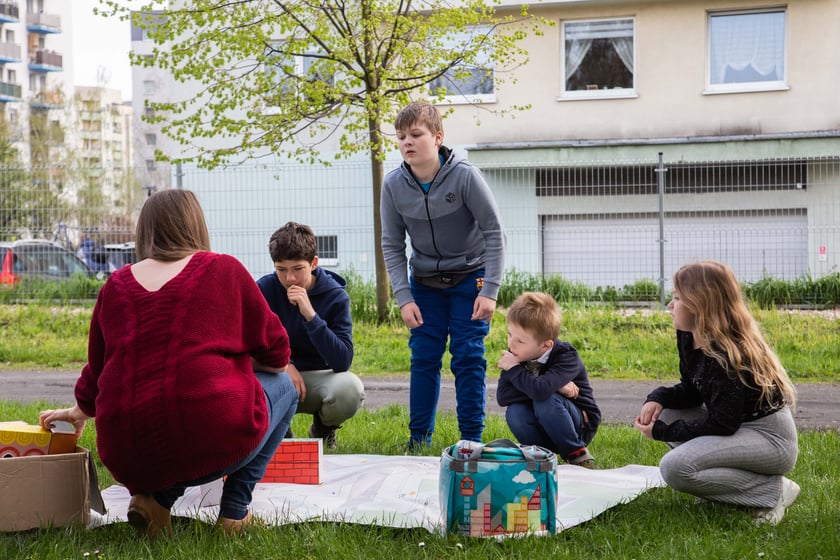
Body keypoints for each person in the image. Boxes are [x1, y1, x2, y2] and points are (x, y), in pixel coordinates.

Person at [39, 190, 297, 537]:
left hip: (125, 454)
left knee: (171, 435)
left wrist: (79, 413)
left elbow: (98, 371)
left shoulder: (115, 285)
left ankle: (156, 501)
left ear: (144, 232)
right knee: (286, 387)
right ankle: (235, 513)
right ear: (196, 226)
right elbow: (277, 354)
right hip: (211, 440)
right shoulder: (224, 269)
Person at [634, 260, 799, 525]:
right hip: (736, 427)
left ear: (701, 303)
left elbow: (723, 423)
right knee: (663, 412)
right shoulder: (689, 335)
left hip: (770, 438)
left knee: (674, 468)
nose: (670, 305)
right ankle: (723, 491)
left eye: (677, 297)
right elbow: (693, 388)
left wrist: (662, 433)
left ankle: (774, 491)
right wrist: (659, 397)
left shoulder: (728, 352)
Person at [380, 101, 506, 449]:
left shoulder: (465, 176)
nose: (407, 142)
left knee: (467, 355)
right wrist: (403, 298)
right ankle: (418, 439)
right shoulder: (393, 186)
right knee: (424, 356)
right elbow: (392, 245)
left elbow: (495, 234)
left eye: (416, 134)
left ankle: (471, 442)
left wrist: (490, 290)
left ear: (437, 138)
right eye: (401, 136)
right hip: (424, 284)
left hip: (471, 277)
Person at [256, 221, 364, 449]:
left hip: (320, 377)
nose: (290, 278)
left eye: (297, 269)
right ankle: (281, 435)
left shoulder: (335, 296)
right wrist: (284, 364)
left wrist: (311, 316)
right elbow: (251, 345)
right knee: (247, 383)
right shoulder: (264, 290)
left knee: (350, 390)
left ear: (313, 263)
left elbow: (343, 360)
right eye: (281, 270)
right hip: (278, 374)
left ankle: (322, 431)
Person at [496, 292, 601, 468]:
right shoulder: (516, 356)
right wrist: (552, 386)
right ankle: (541, 457)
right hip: (540, 422)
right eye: (509, 334)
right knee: (515, 411)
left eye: (520, 341)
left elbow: (541, 391)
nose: (511, 344)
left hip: (578, 424)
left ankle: (576, 454)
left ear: (546, 345)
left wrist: (540, 386)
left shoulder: (566, 355)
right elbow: (504, 396)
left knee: (546, 400)